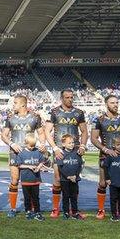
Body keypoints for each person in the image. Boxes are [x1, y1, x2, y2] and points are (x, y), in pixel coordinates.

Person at [44, 89, 88, 218]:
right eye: (67, 97)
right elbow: (47, 131)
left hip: (75, 151)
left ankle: (73, 209)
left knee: (75, 180)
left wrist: (83, 146)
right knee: (58, 180)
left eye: (71, 97)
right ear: (62, 98)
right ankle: (56, 208)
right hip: (60, 150)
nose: (70, 99)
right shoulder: (54, 112)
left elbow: (84, 131)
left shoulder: (79, 113)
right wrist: (55, 148)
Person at [1, 95, 47, 218]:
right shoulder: (10, 118)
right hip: (14, 152)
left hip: (31, 153)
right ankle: (13, 208)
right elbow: (4, 135)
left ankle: (31, 209)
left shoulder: (35, 117)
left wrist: (42, 144)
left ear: (23, 104)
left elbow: (41, 133)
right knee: (14, 180)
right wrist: (12, 143)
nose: (13, 105)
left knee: (31, 181)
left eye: (15, 103)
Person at [90, 95, 120, 220]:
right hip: (105, 156)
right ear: (106, 104)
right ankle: (101, 210)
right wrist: (106, 150)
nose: (115, 104)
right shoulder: (98, 119)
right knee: (103, 183)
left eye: (117, 102)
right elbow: (93, 138)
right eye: (112, 102)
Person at [16, 134, 49, 221]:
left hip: (35, 180)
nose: (32, 147)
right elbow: (19, 165)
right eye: (30, 145)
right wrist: (29, 166)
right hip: (26, 180)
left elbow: (42, 161)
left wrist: (38, 167)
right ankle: (28, 211)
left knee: (36, 197)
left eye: (34, 145)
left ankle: (37, 212)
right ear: (25, 143)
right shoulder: (22, 153)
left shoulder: (37, 152)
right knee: (27, 197)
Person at [56, 134, 84, 220]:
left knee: (74, 196)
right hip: (65, 180)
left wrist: (75, 176)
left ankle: (75, 212)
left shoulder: (77, 153)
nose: (72, 144)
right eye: (69, 143)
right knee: (65, 196)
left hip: (75, 179)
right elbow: (60, 168)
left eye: (73, 143)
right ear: (63, 144)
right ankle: (66, 212)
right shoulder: (61, 154)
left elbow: (80, 166)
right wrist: (68, 176)